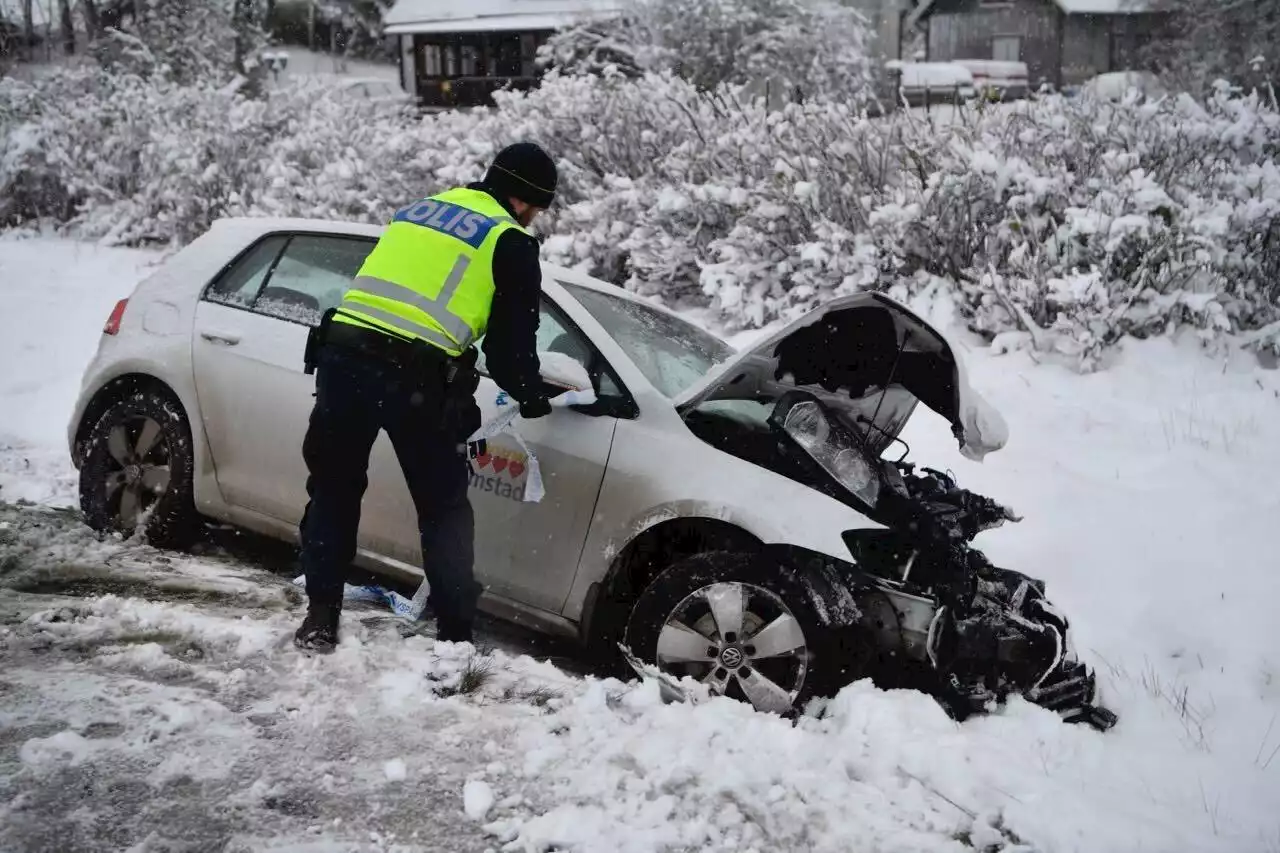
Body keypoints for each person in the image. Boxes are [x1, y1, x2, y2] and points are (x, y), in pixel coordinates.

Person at [293, 142, 559, 653]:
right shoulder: (510, 242)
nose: (534, 221)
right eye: (539, 210)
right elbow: (507, 352)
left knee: (333, 489)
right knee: (443, 510)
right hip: (413, 379)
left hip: (342, 358)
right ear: (525, 202)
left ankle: (320, 618)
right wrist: (532, 395)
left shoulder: (419, 211)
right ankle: (455, 638)